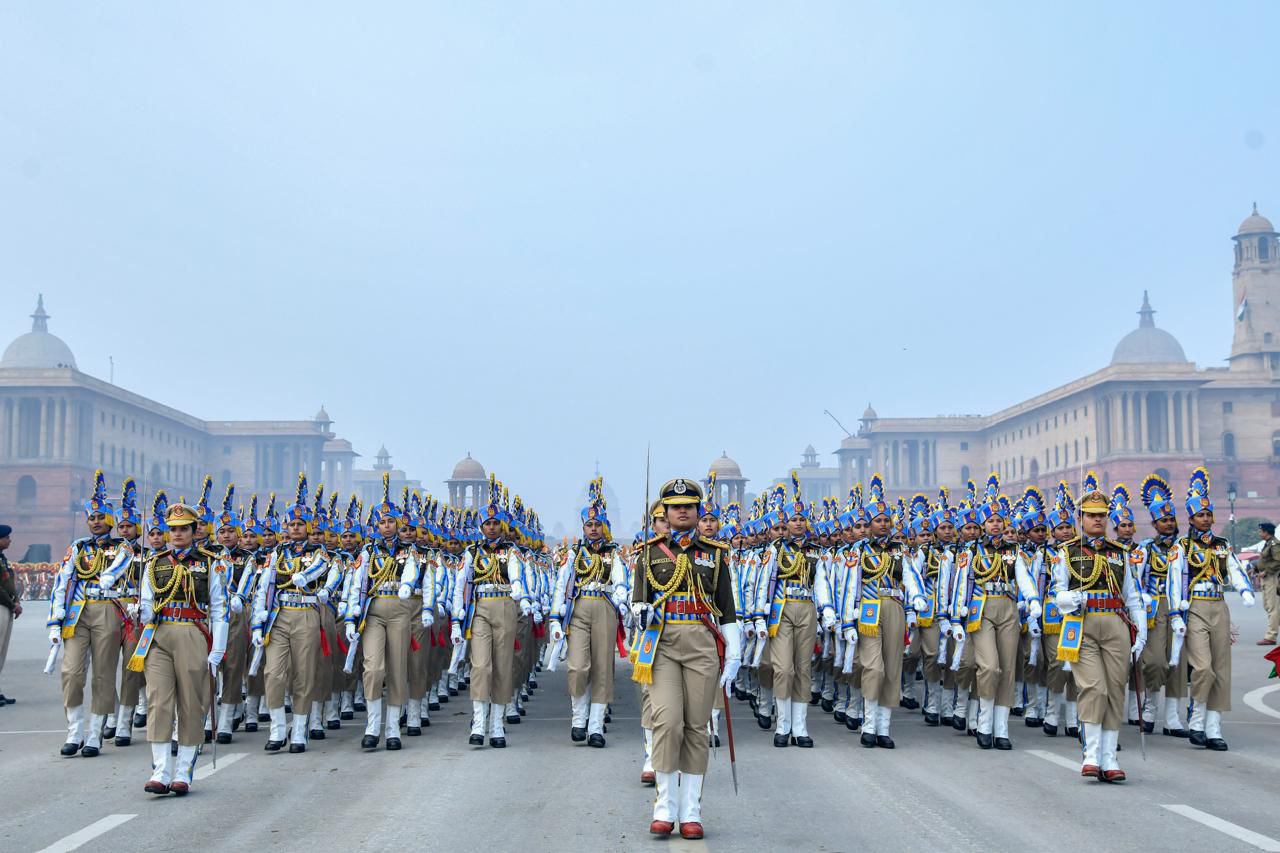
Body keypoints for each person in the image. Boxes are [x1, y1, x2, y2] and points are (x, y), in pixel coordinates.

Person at [631, 477, 740, 840]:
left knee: (696, 726)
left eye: (689, 506)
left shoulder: (715, 553)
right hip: (661, 642)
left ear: (697, 511)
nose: (682, 511)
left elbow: (726, 608)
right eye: (675, 506)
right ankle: (664, 806)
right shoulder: (648, 553)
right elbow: (638, 602)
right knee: (667, 722)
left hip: (701, 641)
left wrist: (734, 652)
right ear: (665, 511)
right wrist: (641, 611)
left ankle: (691, 810)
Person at [1049, 473, 1145, 783]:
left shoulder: (1120, 553)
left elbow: (1132, 595)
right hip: (1083, 622)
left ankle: (1110, 757)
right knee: (1094, 687)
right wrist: (1072, 598)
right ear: (1080, 518)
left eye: (1102, 516)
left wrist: (1140, 631)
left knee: (1116, 689)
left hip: (1116, 622)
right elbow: (1056, 592)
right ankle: (1091, 754)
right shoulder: (1067, 552)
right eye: (1091, 516)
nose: (1098, 521)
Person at [128, 501, 228, 795]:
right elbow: (148, 603)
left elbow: (220, 610)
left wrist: (217, 651)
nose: (177, 534)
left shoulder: (210, 562)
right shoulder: (154, 562)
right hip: (158, 635)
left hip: (192, 632)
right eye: (173, 529)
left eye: (183, 529)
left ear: (194, 530)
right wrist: (140, 612)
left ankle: (183, 770)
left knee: (190, 704)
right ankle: (160, 770)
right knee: (159, 701)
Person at [1167, 467, 1256, 750]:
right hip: (1194, 608)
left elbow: (1235, 568)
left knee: (1221, 669)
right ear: (1191, 518)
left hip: (1219, 606)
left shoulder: (1222, 545)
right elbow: (1173, 580)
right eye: (1200, 515)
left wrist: (1244, 590)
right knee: (1203, 668)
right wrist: (1174, 614)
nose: (1205, 519)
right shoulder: (1181, 547)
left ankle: (1214, 727)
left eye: (1208, 514)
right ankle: (1196, 720)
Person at [48, 471, 134, 757]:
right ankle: (74, 731)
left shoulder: (121, 547)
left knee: (104, 674)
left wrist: (108, 575)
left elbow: (121, 565)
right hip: (77, 614)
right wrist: (55, 617)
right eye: (92, 518)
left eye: (101, 518)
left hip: (107, 610)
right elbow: (62, 582)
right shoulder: (77, 547)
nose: (96, 522)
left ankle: (95, 734)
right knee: (71, 672)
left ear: (110, 520)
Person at [251, 474, 330, 753]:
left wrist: (303, 576)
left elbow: (319, 570)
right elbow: (264, 586)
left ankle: (299, 730)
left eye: (300, 524)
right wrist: (258, 620)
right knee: (273, 673)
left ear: (308, 527)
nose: (295, 528)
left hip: (306, 612)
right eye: (291, 524)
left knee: (304, 674)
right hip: (278, 615)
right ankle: (276, 729)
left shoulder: (320, 552)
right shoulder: (275, 554)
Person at [451, 476, 529, 748]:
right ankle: (479, 721)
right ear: (481, 526)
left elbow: (517, 575)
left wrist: (519, 588)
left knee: (502, 666)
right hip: (480, 607)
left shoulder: (512, 552)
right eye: (488, 524)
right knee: (481, 665)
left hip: (506, 605)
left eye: (496, 523)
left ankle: (497, 724)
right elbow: (461, 584)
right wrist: (456, 618)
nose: (492, 528)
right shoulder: (472, 552)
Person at [549, 477, 628, 747]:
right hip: (579, 609)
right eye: (589, 525)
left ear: (606, 526)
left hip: (605, 607)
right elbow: (562, 584)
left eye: (598, 525)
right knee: (578, 666)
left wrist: (620, 596)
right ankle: (578, 720)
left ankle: (595, 727)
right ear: (583, 526)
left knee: (603, 669)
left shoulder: (613, 554)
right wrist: (555, 617)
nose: (594, 529)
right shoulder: (573, 554)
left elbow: (620, 582)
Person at [0, 523, 19, 706]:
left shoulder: (2, 558)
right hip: (1, 606)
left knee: (1, 651)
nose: (9, 540)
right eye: (6, 537)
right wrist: (13, 604)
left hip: (6, 607)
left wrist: (16, 601)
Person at [1255, 522, 1280, 646]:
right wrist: (1255, 569)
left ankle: (1271, 636)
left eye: (1261, 531)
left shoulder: (1275, 544)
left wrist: (1266, 571)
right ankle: (1273, 630)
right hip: (1266, 578)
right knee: (1268, 606)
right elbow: (1264, 560)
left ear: (1266, 532)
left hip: (1272, 578)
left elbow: (1278, 561)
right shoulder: (1268, 544)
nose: (1260, 533)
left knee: (1273, 608)